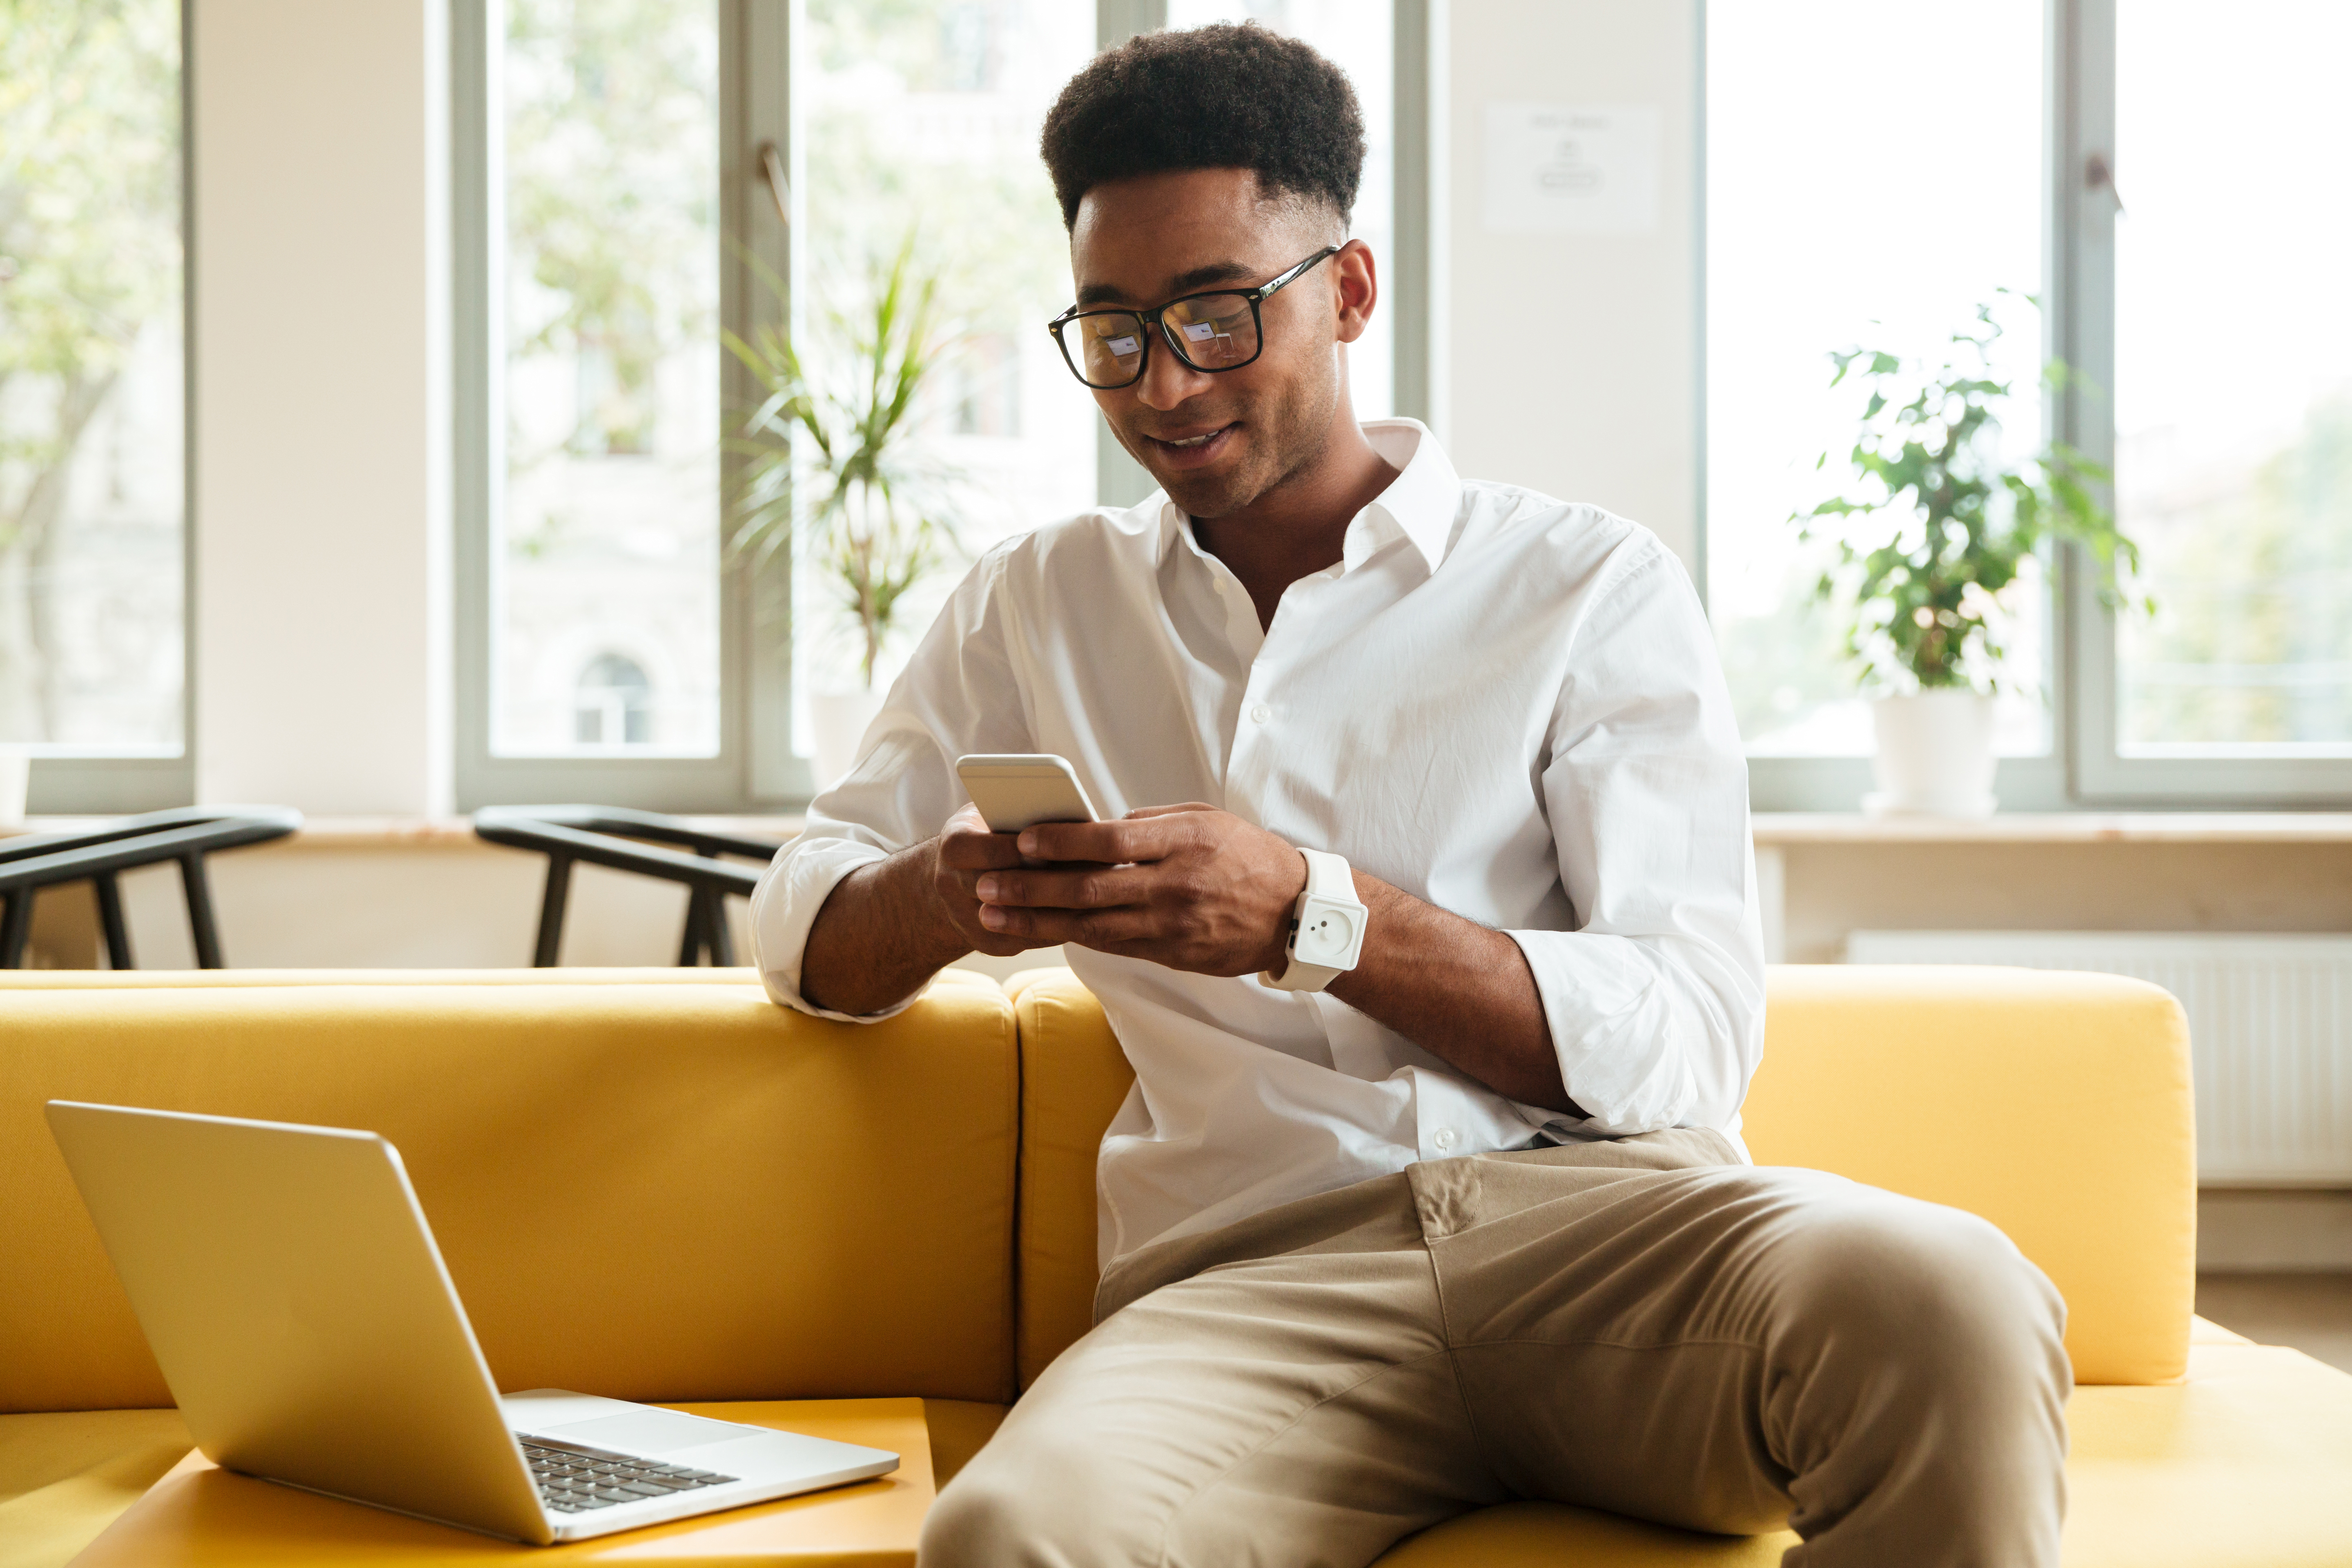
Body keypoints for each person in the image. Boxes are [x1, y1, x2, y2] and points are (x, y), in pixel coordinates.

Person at [750, 23, 2069, 1568]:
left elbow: (1695, 1032)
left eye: (1218, 316)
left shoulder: (1586, 586)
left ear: (1349, 292)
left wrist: (1318, 913)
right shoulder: (1037, 603)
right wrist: (942, 893)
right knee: (1013, 1538)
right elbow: (804, 921)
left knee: (1955, 1295)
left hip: (1612, 1238)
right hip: (1250, 1289)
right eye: (1113, 330)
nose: (1163, 384)